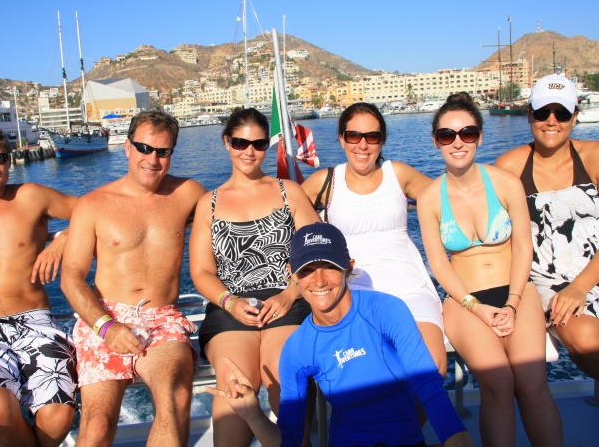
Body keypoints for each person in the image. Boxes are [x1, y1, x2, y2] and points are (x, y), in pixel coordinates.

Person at [208, 222, 473, 447]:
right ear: (292, 273)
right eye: (307, 270)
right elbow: (290, 440)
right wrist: (253, 415)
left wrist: (458, 440)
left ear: (348, 265)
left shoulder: (386, 310)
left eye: (330, 266)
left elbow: (429, 388)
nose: (319, 281)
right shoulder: (298, 347)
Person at [417, 93, 563, 446]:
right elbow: (438, 263)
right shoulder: (430, 197)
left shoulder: (505, 183)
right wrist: (476, 307)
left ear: (479, 137)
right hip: (464, 301)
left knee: (531, 383)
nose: (457, 142)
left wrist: (513, 303)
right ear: (436, 141)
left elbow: (523, 247)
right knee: (497, 383)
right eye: (447, 135)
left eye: (467, 133)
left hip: (516, 291)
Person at [60, 110, 206, 447]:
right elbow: (71, 278)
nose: (152, 160)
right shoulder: (93, 205)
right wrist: (106, 327)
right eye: (144, 148)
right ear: (127, 147)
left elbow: (232, 214)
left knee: (174, 399)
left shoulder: (187, 193)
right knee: (97, 423)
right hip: (105, 316)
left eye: (163, 151)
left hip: (162, 319)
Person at [189, 107, 320, 446]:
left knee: (285, 377)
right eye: (240, 143)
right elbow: (201, 272)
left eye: (258, 144)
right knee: (235, 384)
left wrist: (290, 294)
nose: (249, 151)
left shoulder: (289, 191)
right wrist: (230, 303)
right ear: (226, 142)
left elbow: (316, 251)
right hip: (230, 308)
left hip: (287, 301)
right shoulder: (208, 204)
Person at [301, 102, 446, 376]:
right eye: (353, 136)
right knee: (371, 373)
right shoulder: (326, 181)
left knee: (431, 367)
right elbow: (284, 213)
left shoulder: (398, 174)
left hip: (408, 287)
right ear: (342, 139)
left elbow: (450, 198)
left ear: (382, 140)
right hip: (353, 291)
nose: (363, 145)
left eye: (372, 136)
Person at [0, 124, 78, 447]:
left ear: (9, 160)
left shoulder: (31, 196)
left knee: (58, 417)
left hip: (37, 322)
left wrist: (64, 239)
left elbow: (95, 211)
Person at [495, 73, 599, 380]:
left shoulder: (594, 157)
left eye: (562, 113)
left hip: (593, 269)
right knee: (587, 341)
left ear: (575, 116)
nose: (551, 121)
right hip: (550, 281)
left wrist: (581, 286)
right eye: (542, 112)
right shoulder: (509, 167)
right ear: (529, 114)